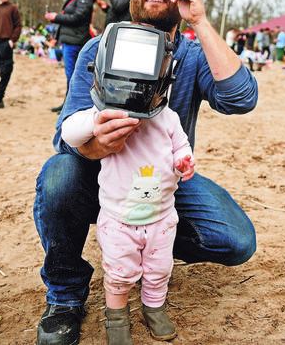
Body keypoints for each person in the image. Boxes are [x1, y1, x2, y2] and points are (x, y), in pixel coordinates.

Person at [33, 0, 259, 345]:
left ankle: (145, 244)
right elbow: (64, 135)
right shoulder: (98, 48)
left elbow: (241, 98)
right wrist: (94, 145)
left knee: (236, 240)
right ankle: (66, 296)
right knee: (58, 175)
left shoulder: (190, 54)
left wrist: (200, 23)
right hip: (101, 173)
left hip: (162, 182)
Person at [61, 32, 195, 342]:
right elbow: (68, 132)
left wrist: (184, 160)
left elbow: (180, 144)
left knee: (159, 269)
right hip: (119, 219)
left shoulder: (169, 118)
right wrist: (95, 125)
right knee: (120, 274)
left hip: (162, 217)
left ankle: (154, 307)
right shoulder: (107, 113)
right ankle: (117, 316)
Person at [45, 0, 97, 113]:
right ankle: (68, 104)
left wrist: (56, 17)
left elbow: (77, 17)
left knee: (74, 75)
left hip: (75, 41)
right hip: (70, 40)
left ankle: (72, 106)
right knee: (71, 75)